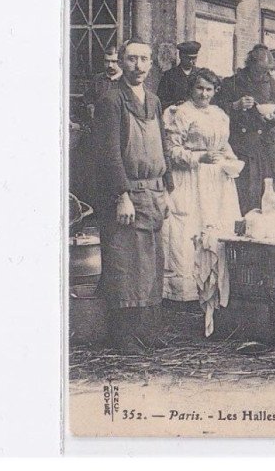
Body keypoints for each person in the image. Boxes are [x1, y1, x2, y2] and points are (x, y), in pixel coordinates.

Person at [94, 37, 175, 354]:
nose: (138, 65)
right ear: (121, 63)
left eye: (144, 59)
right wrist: (121, 195)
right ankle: (123, 336)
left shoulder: (154, 101)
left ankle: (145, 331)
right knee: (125, 264)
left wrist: (167, 188)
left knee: (151, 264)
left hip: (153, 193)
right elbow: (109, 153)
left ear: (151, 64)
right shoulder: (111, 101)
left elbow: (163, 147)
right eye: (131, 59)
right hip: (128, 194)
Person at [162, 68, 242, 334]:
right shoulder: (180, 113)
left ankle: (215, 294)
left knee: (217, 231)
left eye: (209, 89)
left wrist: (230, 161)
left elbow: (224, 146)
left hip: (217, 181)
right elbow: (171, 150)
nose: (204, 94)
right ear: (191, 89)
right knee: (189, 234)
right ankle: (186, 298)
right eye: (199, 89)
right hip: (191, 180)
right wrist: (198, 158)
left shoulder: (219, 114)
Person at [214, 45, 275, 215]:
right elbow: (214, 109)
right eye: (259, 71)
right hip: (239, 145)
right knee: (242, 191)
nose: (263, 75)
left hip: (261, 145)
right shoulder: (233, 82)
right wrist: (234, 106)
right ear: (250, 65)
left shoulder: (270, 82)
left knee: (262, 189)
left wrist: (274, 118)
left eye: (266, 71)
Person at [156, 41, 201, 110]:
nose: (191, 61)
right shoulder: (169, 76)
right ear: (180, 56)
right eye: (188, 58)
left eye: (194, 58)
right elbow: (160, 101)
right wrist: (175, 104)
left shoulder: (200, 74)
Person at [83, 44, 122, 120]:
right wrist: (90, 105)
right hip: (100, 123)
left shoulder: (127, 80)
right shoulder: (98, 78)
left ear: (121, 62)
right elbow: (88, 96)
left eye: (114, 61)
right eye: (107, 61)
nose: (110, 65)